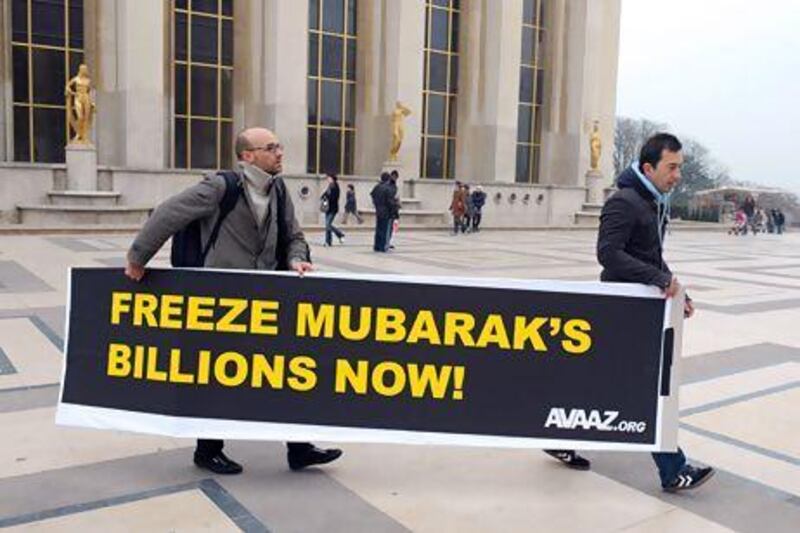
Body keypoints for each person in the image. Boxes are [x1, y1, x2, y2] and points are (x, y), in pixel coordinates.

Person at [124, 127, 343, 475]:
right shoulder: (220, 187)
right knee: (218, 376)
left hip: (267, 299)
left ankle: (299, 448)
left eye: (279, 146)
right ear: (248, 156)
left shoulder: (279, 190)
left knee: (288, 373)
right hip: (222, 301)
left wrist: (295, 258)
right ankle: (207, 451)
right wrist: (138, 258)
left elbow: (294, 236)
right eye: (271, 148)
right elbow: (168, 213)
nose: (280, 152)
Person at [546, 133, 714, 492]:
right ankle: (673, 469)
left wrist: (674, 287)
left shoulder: (648, 202)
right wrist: (659, 278)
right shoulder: (625, 201)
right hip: (622, 310)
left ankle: (558, 436)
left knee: (611, 382)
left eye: (679, 167)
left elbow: (648, 255)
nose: (677, 175)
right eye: (672, 168)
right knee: (648, 387)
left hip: (635, 307)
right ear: (649, 167)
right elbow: (608, 253)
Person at [371, 172, 393, 252]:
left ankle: (377, 245)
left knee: (378, 229)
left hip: (378, 210)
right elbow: (389, 201)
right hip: (386, 211)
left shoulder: (377, 187)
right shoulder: (387, 188)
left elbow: (372, 194)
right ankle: (383, 246)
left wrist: (376, 203)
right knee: (385, 229)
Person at [321, 173, 345, 246]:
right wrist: (323, 197)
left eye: (329, 178)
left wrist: (327, 197)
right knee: (327, 225)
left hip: (333, 209)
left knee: (328, 225)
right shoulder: (330, 187)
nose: (328, 179)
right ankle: (328, 242)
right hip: (327, 208)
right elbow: (325, 194)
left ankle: (340, 234)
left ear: (332, 179)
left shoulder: (336, 187)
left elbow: (334, 197)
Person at [386, 170, 401, 249]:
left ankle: (390, 241)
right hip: (391, 210)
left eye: (396, 177)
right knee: (390, 227)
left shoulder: (395, 186)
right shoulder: (389, 186)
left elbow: (397, 197)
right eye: (394, 176)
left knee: (394, 227)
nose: (394, 178)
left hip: (394, 210)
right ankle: (387, 241)